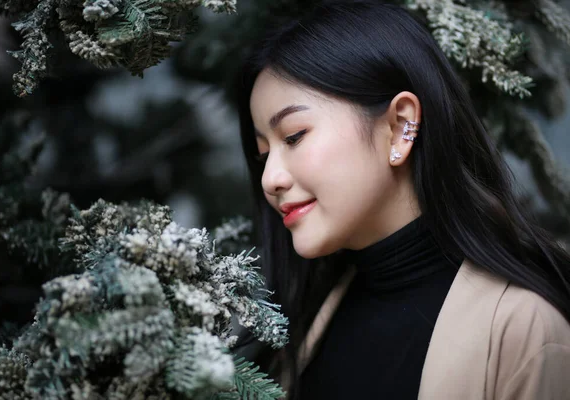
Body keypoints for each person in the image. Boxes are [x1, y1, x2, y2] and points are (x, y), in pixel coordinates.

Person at [233, 1, 570, 399]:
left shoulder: (526, 331)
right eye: (262, 155)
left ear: (399, 127)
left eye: (293, 137)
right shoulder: (303, 319)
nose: (270, 178)